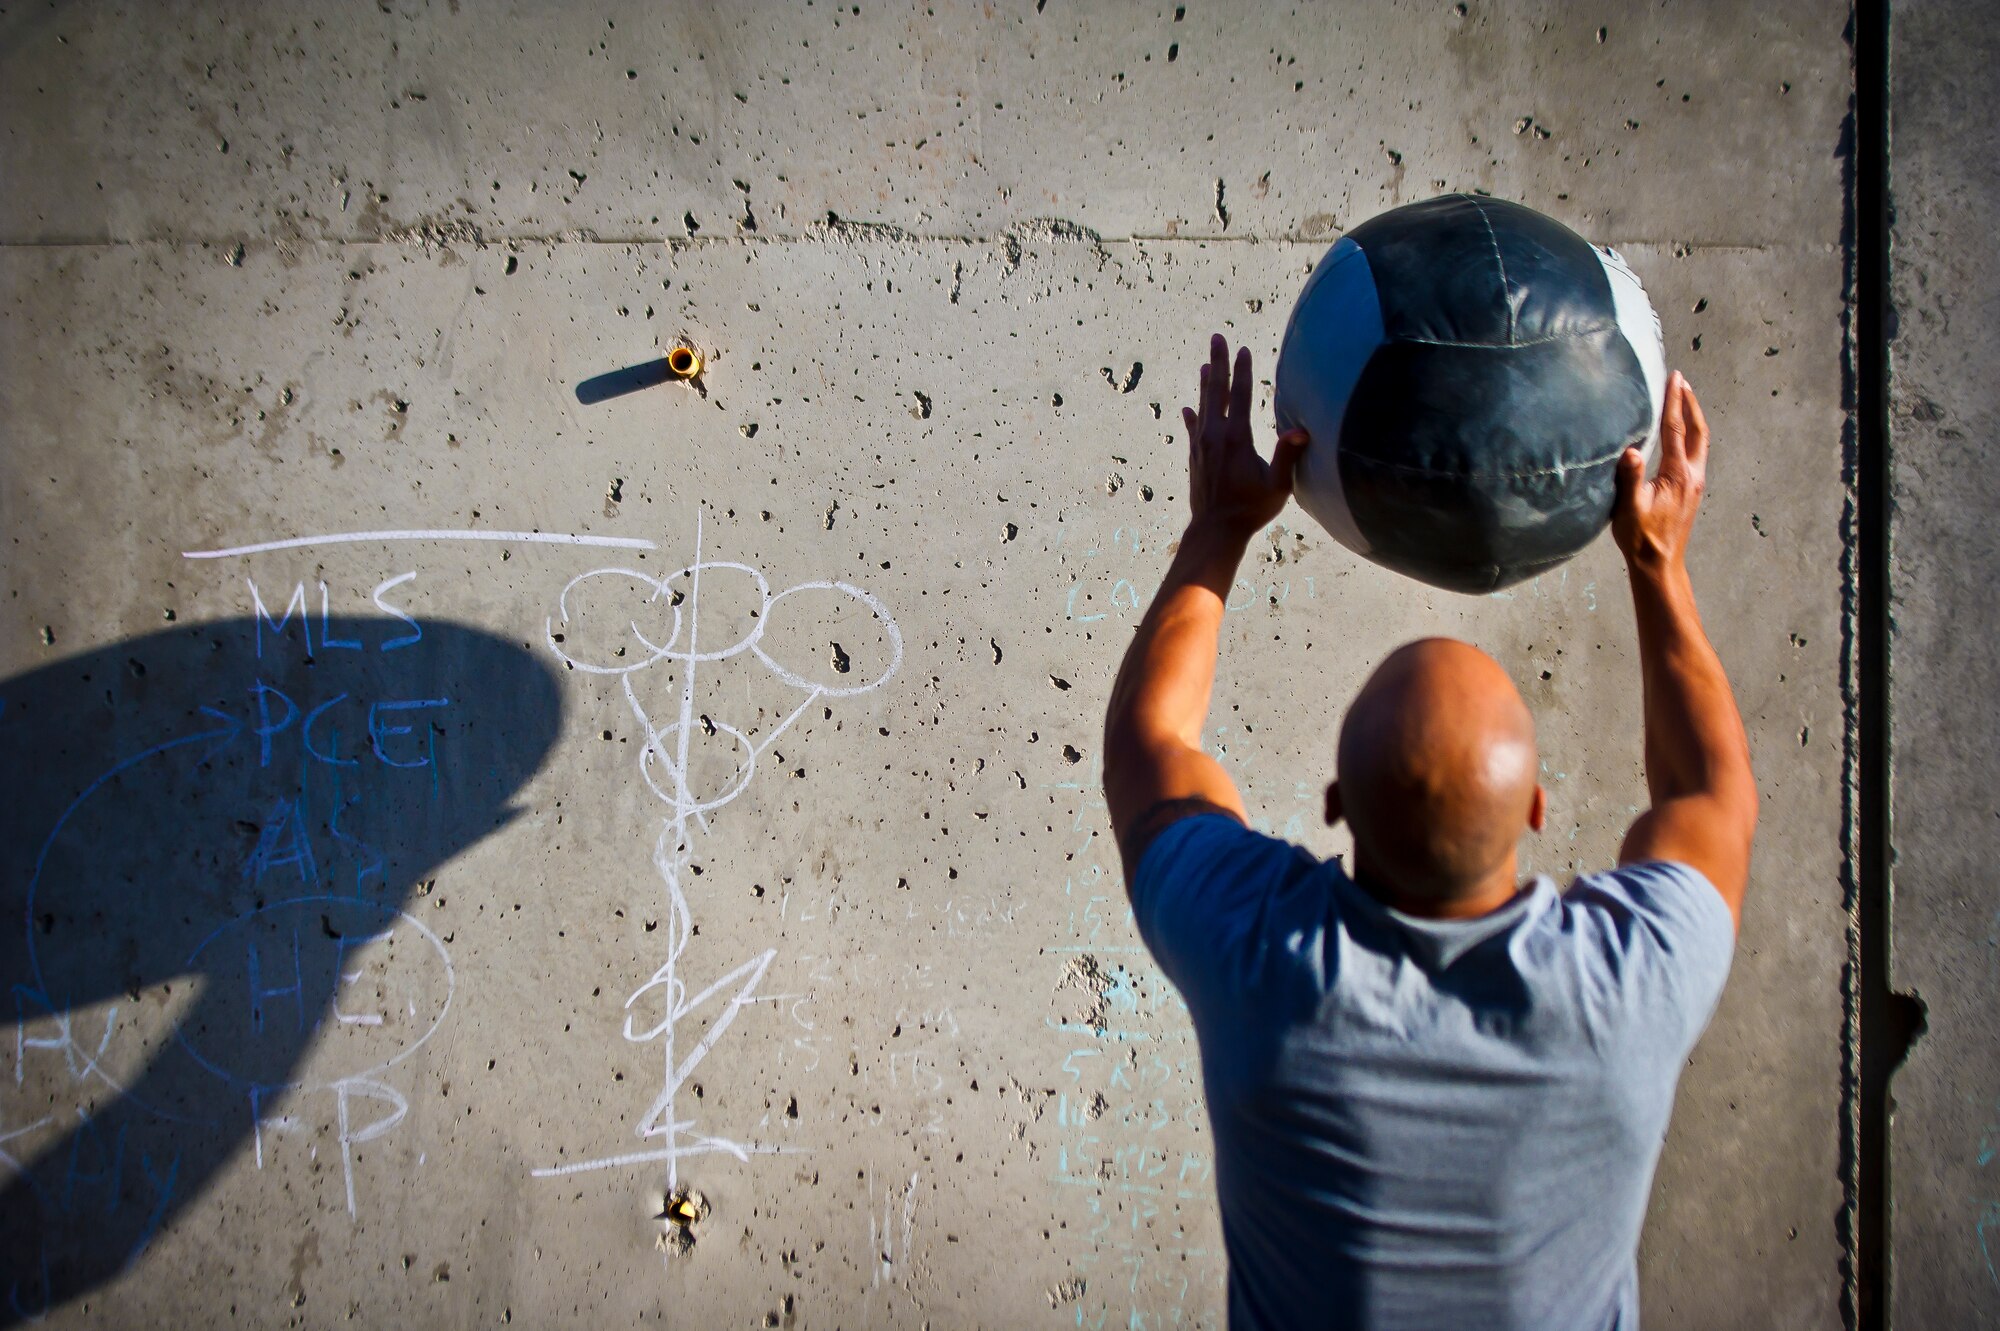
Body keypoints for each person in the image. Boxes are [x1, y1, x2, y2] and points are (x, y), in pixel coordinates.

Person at [1102, 334, 1757, 1330]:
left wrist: (1222, 526)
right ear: (1537, 809)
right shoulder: (1623, 989)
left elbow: (1150, 742)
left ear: (1333, 805)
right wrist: (1656, 561)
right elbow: (1710, 794)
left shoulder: (1264, 966)